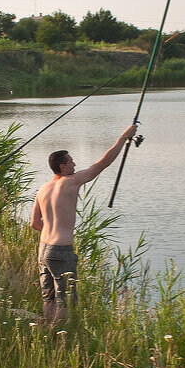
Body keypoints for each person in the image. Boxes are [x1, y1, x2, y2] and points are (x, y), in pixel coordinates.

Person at [30, 123, 137, 322]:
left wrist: (52, 234)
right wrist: (123, 137)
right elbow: (101, 164)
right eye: (71, 162)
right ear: (62, 166)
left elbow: (35, 224)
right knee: (66, 300)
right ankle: (62, 339)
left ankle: (48, 333)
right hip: (61, 250)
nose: (75, 165)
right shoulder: (71, 181)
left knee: (49, 299)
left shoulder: (42, 189)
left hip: (43, 250)